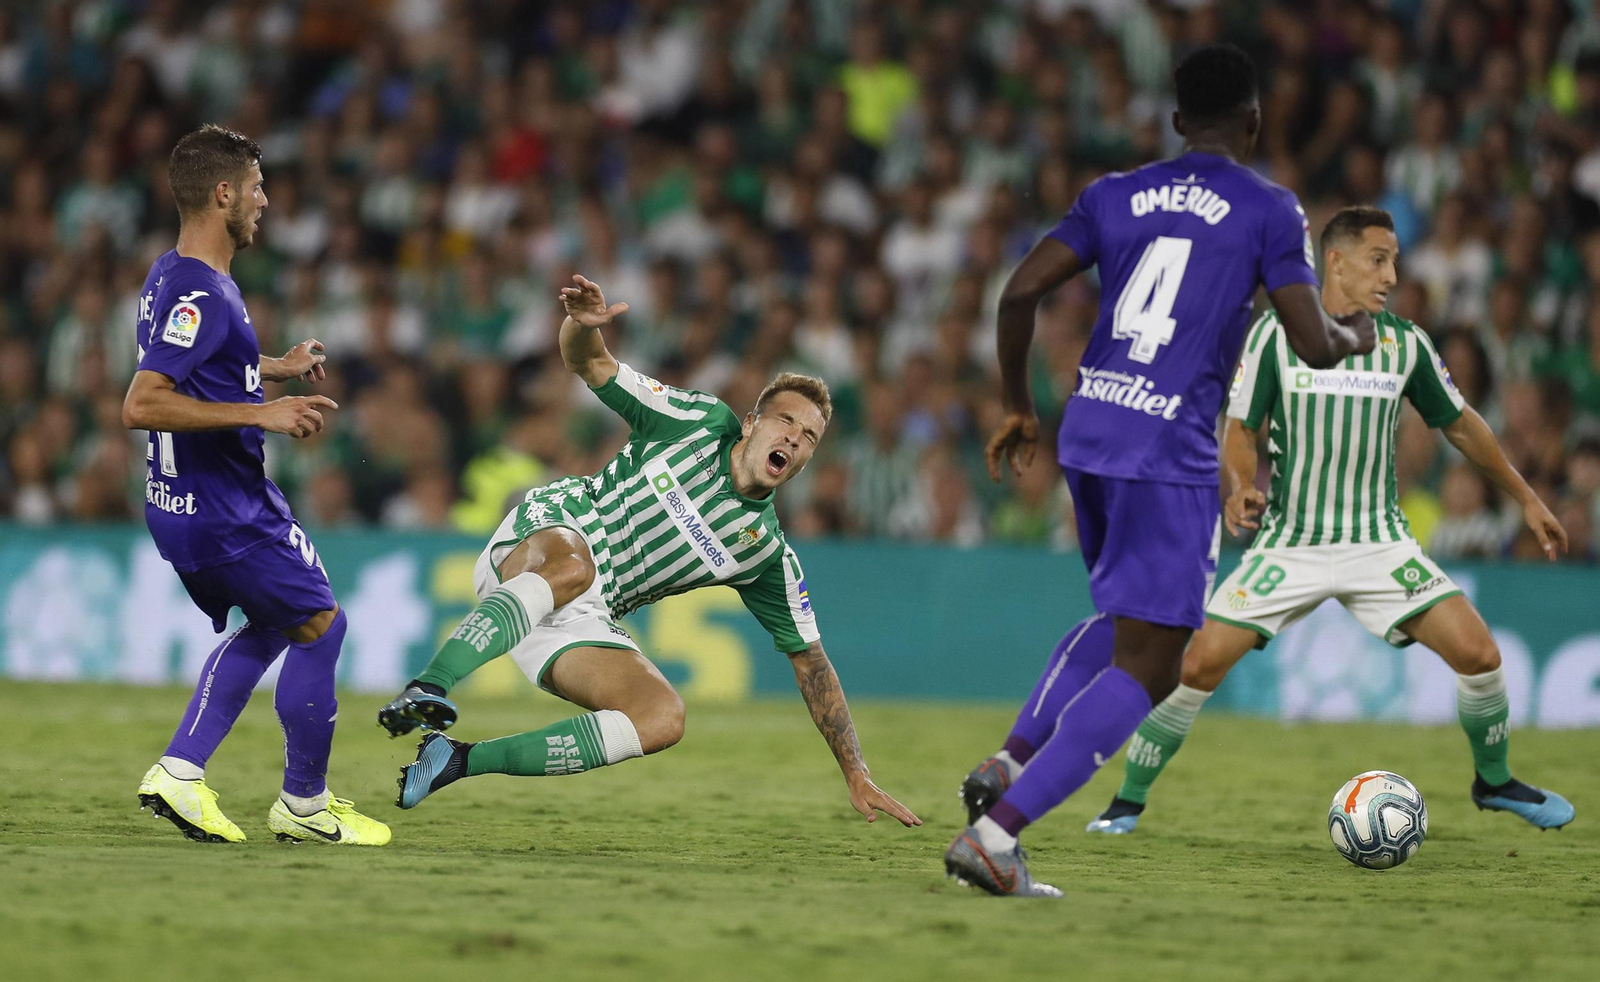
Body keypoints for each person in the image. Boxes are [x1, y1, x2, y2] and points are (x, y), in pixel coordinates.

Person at [945, 43, 1377, 897]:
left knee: (1124, 619)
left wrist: (1015, 405)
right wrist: (1356, 334)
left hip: (1091, 429)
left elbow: (1016, 293)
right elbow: (1310, 341)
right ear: (1254, 122)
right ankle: (997, 836)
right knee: (1156, 664)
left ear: (1178, 122)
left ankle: (1010, 760)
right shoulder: (1269, 208)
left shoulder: (1115, 193)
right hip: (1167, 447)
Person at [1086, 206, 1574, 834]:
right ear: (1335, 262)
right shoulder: (1274, 337)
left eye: (1395, 259)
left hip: (1379, 543)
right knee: (1196, 663)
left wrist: (1527, 499)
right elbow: (1241, 429)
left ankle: (1495, 781)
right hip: (1292, 543)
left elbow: (1461, 425)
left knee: (1480, 653)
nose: (1393, 274)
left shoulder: (1404, 343)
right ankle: (1126, 801)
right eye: (1379, 258)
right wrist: (1239, 486)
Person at [377, 275, 920, 831]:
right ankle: (429, 686)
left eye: (808, 437)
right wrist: (580, 327)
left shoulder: (765, 554)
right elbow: (589, 363)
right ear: (752, 423)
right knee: (573, 564)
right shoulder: (696, 421)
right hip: (549, 536)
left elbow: (812, 663)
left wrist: (855, 770)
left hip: (584, 612)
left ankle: (454, 760)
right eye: (785, 421)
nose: (793, 439)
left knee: (662, 718)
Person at [124, 125, 389, 845]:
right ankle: (303, 806)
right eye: (255, 187)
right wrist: (262, 413)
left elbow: (199, 364)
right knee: (321, 628)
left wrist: (275, 366)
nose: (265, 201)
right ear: (222, 194)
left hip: (181, 508)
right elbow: (142, 402)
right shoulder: (203, 294)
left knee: (277, 623)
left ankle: (181, 772)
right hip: (228, 510)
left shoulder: (171, 276)